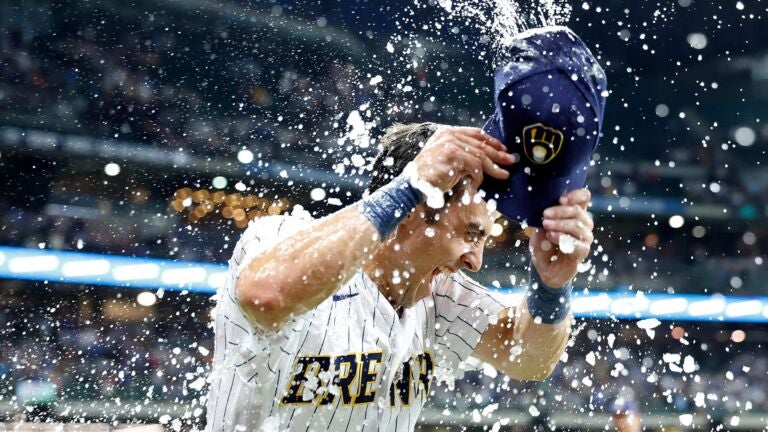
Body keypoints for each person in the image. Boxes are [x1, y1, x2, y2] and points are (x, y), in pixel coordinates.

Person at [204, 120, 595, 431]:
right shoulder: (283, 238)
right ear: (410, 210)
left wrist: (551, 286)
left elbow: (529, 358)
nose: (475, 260)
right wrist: (410, 183)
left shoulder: (439, 295)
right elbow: (266, 295)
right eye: (470, 234)